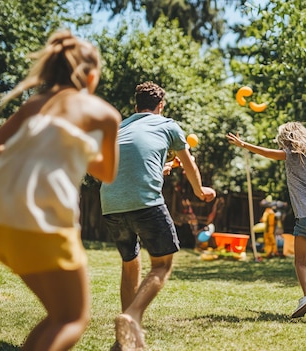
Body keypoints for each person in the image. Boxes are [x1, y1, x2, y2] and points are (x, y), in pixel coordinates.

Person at [0, 30, 121, 351]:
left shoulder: (33, 105)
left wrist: (35, 157)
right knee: (73, 319)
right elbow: (107, 174)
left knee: (57, 316)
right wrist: (80, 152)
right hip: (44, 218)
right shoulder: (106, 114)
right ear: (92, 77)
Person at [100, 81, 216, 351]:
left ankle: (126, 342)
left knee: (130, 264)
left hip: (111, 202)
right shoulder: (168, 125)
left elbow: (128, 162)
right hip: (145, 202)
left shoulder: (119, 128)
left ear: (136, 105)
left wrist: (161, 168)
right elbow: (189, 164)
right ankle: (131, 317)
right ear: (160, 106)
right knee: (162, 265)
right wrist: (200, 191)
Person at [227, 122, 306, 318]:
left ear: (286, 139)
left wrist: (244, 144)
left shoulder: (290, 154)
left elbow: (266, 153)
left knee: (301, 261)